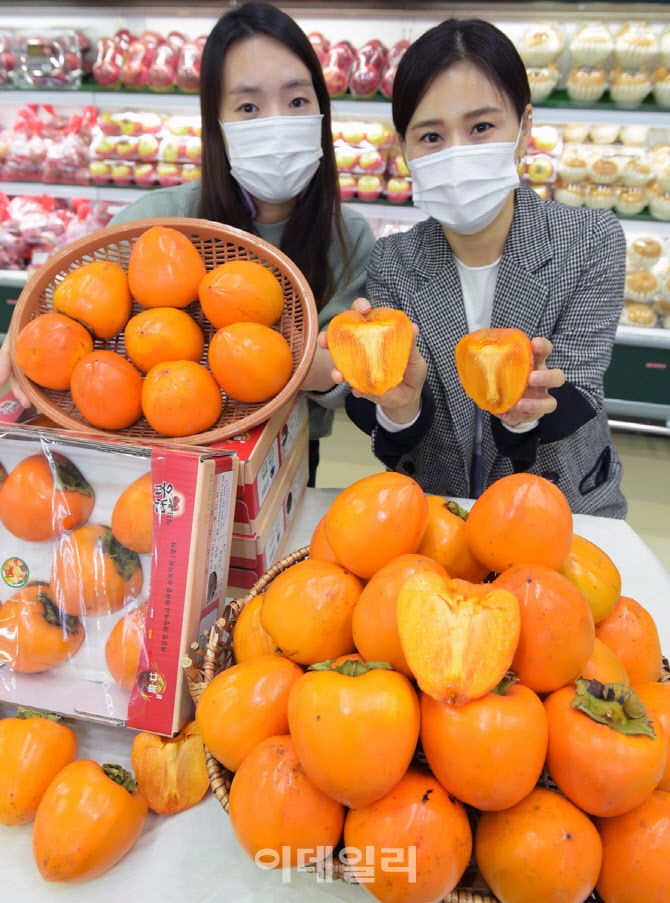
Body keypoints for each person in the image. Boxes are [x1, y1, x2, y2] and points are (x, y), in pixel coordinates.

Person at [0, 1, 375, 488]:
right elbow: (68, 306)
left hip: (279, 456)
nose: (276, 121)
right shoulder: (157, 224)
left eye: (297, 101)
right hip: (160, 452)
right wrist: (23, 338)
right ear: (215, 123)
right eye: (248, 107)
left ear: (321, 111)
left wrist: (327, 365)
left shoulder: (349, 236)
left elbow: (337, 381)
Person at [319, 17, 627, 518]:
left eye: (481, 127)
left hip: (561, 505)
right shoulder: (395, 260)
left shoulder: (590, 240)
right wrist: (398, 408)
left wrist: (524, 412)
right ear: (405, 151)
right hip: (439, 511)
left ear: (524, 130)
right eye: (431, 136)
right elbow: (383, 408)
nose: (457, 152)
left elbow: (582, 388)